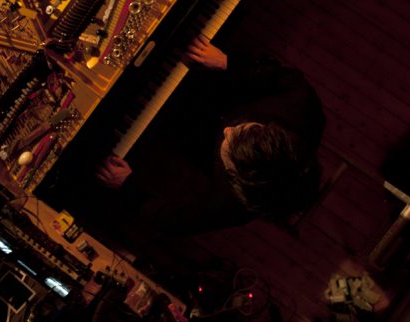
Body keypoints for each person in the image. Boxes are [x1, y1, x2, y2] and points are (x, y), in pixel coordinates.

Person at [94, 36, 326, 239]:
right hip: (214, 82)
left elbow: (174, 221)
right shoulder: (303, 106)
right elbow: (281, 76)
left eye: (228, 148)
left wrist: (128, 186)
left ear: (235, 178)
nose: (227, 130)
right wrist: (229, 63)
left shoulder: (234, 204)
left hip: (188, 129)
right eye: (243, 129)